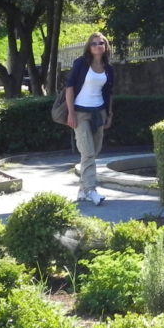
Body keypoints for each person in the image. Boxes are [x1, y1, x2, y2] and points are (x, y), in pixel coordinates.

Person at [65, 32, 115, 205]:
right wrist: (70, 114)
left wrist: (109, 115)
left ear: (105, 46)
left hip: (99, 113)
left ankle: (82, 191)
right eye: (93, 43)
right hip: (80, 113)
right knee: (88, 153)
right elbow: (69, 88)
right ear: (89, 46)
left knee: (94, 151)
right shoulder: (81, 63)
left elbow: (109, 93)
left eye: (100, 43)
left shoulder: (108, 68)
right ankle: (91, 190)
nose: (97, 46)